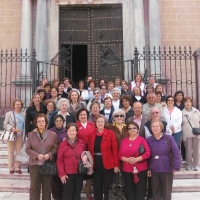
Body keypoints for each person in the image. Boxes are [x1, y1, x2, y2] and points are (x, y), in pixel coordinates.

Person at [26, 113, 58, 200]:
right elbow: (27, 149)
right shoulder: (30, 135)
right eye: (39, 121)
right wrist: (36, 155)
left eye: (42, 121)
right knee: (34, 188)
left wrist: (50, 154)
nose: (41, 123)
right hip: (34, 164)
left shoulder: (53, 134)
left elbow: (55, 148)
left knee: (47, 188)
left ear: (46, 123)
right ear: (36, 123)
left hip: (47, 165)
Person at [147, 119, 181, 200]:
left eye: (157, 126)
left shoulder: (169, 138)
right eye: (153, 126)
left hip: (167, 168)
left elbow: (176, 152)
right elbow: (147, 155)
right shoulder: (148, 140)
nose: (155, 128)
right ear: (151, 128)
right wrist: (148, 168)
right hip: (154, 169)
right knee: (156, 192)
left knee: (166, 192)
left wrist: (176, 166)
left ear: (161, 128)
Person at [88, 114, 120, 200]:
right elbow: (89, 149)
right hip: (96, 164)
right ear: (95, 123)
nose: (100, 123)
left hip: (108, 164)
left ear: (105, 123)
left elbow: (115, 150)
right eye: (98, 121)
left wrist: (116, 165)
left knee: (107, 186)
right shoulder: (91, 134)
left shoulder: (110, 133)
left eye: (102, 121)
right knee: (97, 186)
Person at [119, 121, 150, 200]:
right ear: (128, 131)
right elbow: (119, 155)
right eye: (130, 128)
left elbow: (147, 153)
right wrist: (127, 159)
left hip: (140, 169)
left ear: (137, 129)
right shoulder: (123, 141)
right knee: (129, 191)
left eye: (134, 128)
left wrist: (136, 159)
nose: (132, 130)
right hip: (127, 169)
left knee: (140, 191)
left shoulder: (142, 140)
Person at [57, 123, 87, 200]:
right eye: (70, 130)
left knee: (77, 193)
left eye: (73, 130)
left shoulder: (81, 143)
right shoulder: (63, 144)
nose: (72, 132)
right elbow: (59, 160)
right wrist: (62, 174)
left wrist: (85, 156)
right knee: (67, 194)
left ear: (76, 132)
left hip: (78, 173)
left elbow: (84, 153)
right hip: (67, 174)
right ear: (67, 132)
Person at [76, 108, 96, 199]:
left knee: (90, 172)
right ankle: (78, 192)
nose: (83, 116)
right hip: (81, 151)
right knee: (80, 172)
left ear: (87, 115)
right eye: (81, 115)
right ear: (78, 116)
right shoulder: (76, 125)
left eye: (84, 114)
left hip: (91, 151)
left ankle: (88, 192)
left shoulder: (92, 125)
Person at [3, 99, 26, 174]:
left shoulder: (24, 114)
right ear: (14, 105)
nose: (18, 106)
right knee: (11, 152)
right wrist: (11, 128)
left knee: (18, 152)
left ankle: (17, 167)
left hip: (20, 136)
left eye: (19, 104)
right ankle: (11, 167)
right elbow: (5, 124)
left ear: (21, 105)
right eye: (17, 104)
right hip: (11, 135)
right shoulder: (9, 114)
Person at [49, 114, 66, 200]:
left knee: (62, 176)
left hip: (64, 157)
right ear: (54, 122)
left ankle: (63, 195)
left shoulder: (67, 131)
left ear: (63, 122)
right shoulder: (50, 131)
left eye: (60, 121)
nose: (58, 122)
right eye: (57, 121)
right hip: (54, 157)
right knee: (55, 177)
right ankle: (56, 196)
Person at [182, 97, 200, 171]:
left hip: (196, 133)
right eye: (186, 102)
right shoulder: (181, 113)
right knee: (188, 150)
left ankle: (196, 164)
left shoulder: (197, 111)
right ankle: (188, 164)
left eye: (189, 101)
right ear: (184, 103)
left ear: (191, 103)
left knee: (197, 150)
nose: (187, 103)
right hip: (187, 134)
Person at [174, 90, 185, 160]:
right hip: (175, 125)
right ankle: (177, 156)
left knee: (183, 141)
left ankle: (184, 156)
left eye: (180, 95)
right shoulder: (173, 105)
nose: (179, 96)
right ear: (175, 96)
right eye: (178, 95)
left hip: (183, 124)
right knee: (176, 142)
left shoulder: (184, 104)